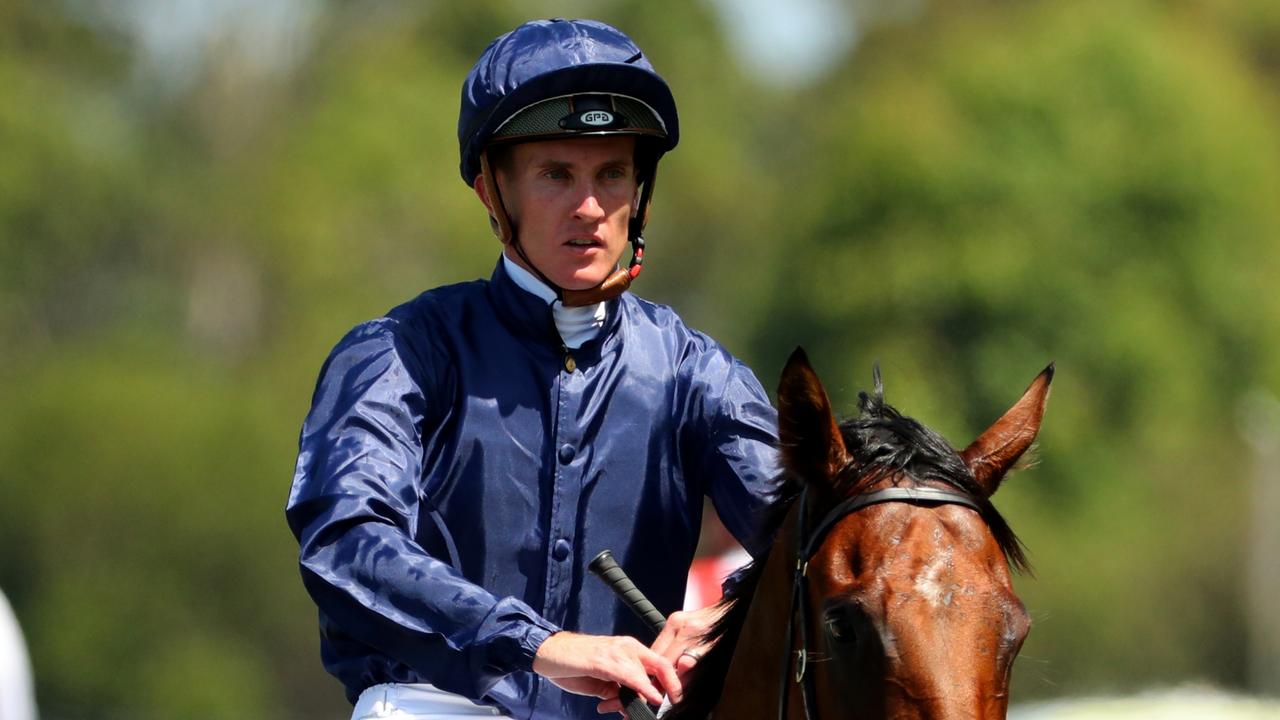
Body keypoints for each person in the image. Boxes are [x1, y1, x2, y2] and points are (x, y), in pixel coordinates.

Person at [286, 18, 780, 720]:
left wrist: (724, 618)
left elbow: (821, 542)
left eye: (612, 174)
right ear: (493, 190)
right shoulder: (398, 352)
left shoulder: (698, 375)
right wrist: (539, 645)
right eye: (556, 174)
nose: (590, 209)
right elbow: (347, 540)